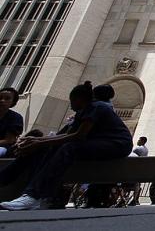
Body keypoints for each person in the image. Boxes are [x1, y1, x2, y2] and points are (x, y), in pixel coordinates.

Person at [0, 81, 132, 210]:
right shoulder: (83, 112)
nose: (71, 105)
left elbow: (78, 136)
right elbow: (64, 135)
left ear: (79, 99)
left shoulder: (97, 107)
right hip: (100, 144)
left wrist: (39, 141)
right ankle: (7, 182)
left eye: (72, 101)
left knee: (69, 148)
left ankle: (33, 196)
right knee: (44, 148)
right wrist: (36, 141)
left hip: (117, 145)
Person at [0, 87, 23, 158]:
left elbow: (9, 140)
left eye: (7, 98)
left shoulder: (16, 117)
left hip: (2, 147)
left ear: (13, 102)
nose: (2, 100)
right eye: (0, 97)